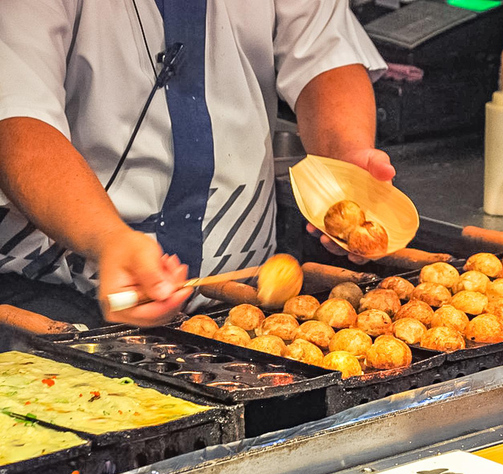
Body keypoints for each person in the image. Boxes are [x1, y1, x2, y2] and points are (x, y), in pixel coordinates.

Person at [0, 1, 396, 328]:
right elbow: (18, 120)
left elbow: (324, 53)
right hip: (56, 300)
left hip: (242, 307)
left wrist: (347, 158)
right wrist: (108, 239)